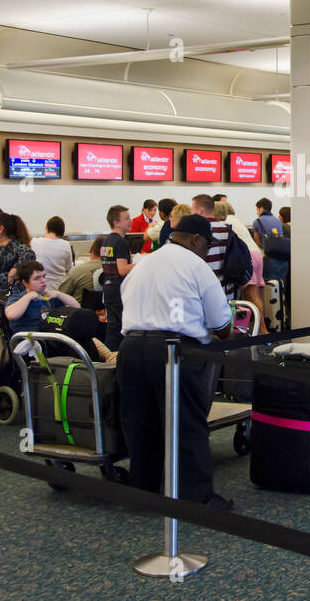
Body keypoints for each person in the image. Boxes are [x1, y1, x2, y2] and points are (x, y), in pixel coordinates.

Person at [119, 215, 234, 509]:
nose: (208, 250)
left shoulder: (143, 262)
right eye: (208, 244)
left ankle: (143, 493)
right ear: (195, 239)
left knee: (141, 424)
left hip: (130, 348)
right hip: (173, 350)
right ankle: (196, 499)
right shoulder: (196, 266)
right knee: (187, 424)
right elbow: (221, 323)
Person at [216, 201, 267, 332]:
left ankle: (261, 330)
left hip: (247, 256)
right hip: (255, 255)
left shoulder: (225, 223)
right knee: (255, 296)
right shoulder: (235, 220)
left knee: (251, 297)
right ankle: (260, 329)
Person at [5, 260, 81, 331]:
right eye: (37, 278)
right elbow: (11, 315)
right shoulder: (17, 298)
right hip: (29, 339)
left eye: (44, 276)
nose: (43, 281)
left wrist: (59, 294)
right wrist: (28, 296)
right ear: (25, 282)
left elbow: (77, 308)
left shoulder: (49, 297)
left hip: (51, 336)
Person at [100, 205, 134, 350]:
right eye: (126, 218)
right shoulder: (120, 242)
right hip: (118, 289)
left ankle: (109, 358)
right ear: (116, 222)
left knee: (112, 327)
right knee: (121, 328)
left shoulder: (106, 241)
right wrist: (141, 263)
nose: (130, 221)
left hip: (108, 288)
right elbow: (122, 269)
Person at [191, 194, 234, 296]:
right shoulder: (227, 229)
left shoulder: (198, 231)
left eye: (192, 210)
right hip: (227, 289)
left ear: (200, 211)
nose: (191, 213)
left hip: (207, 291)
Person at [30, 216, 76, 288]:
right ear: (62, 231)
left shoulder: (34, 242)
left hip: (38, 286)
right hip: (59, 287)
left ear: (46, 228)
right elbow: (68, 268)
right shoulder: (66, 245)